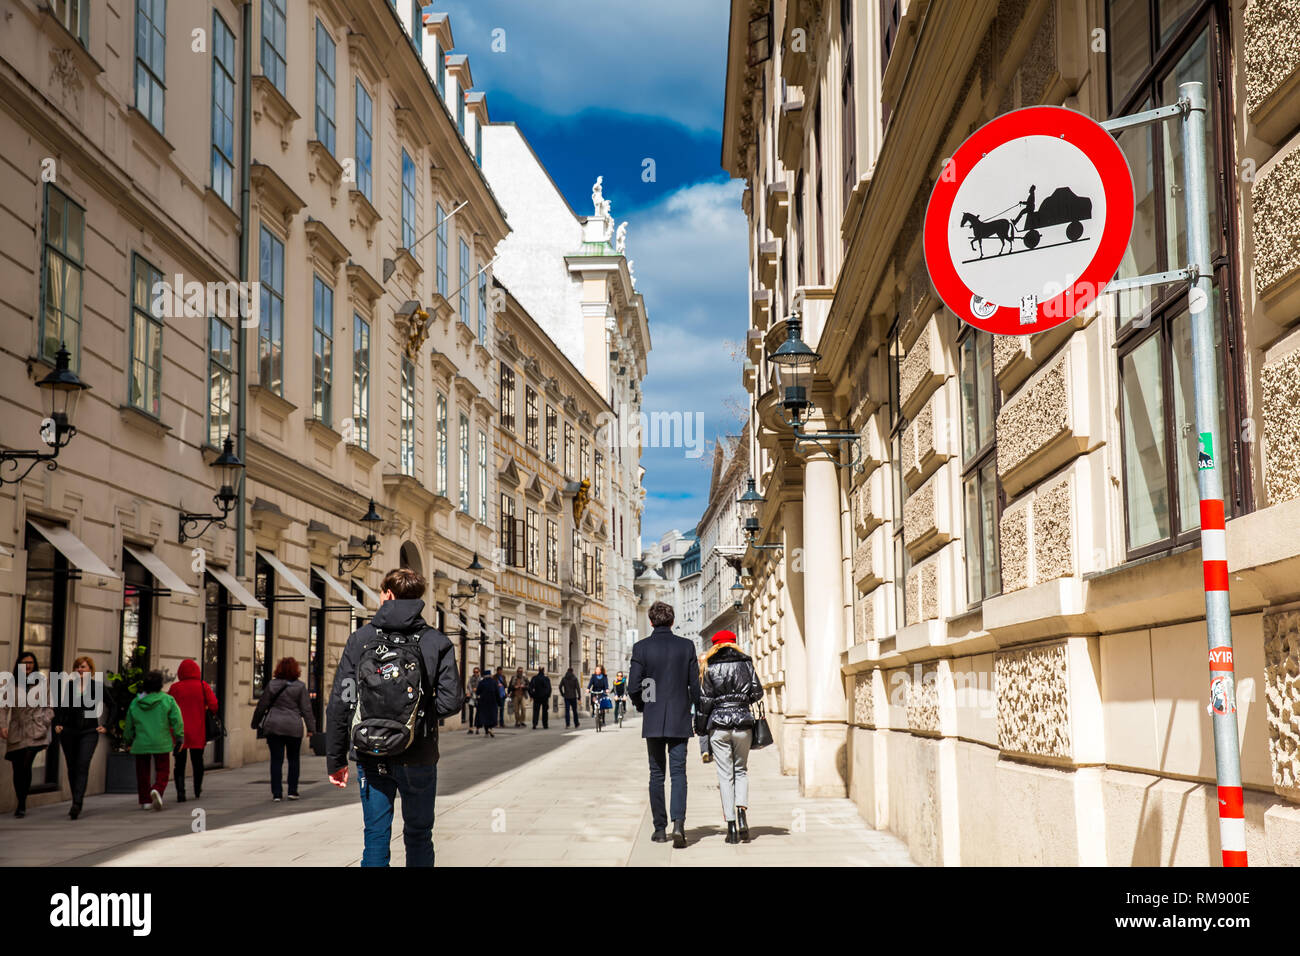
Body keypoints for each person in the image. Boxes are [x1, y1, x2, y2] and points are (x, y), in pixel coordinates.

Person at [326, 568, 462, 867]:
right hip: (418, 752)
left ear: (387, 594)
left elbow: (341, 701)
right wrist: (418, 717)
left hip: (370, 750)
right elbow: (452, 702)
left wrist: (335, 760)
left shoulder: (360, 639)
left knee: (375, 835)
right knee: (419, 834)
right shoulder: (436, 642)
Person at [628, 602, 700, 848]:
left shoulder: (641, 648)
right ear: (672, 621)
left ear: (650, 622)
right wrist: (696, 710)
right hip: (680, 718)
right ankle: (679, 824)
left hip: (654, 718)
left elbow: (633, 687)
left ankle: (660, 829)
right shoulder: (686, 646)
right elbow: (695, 687)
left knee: (656, 774)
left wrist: (643, 705)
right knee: (679, 773)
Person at [696, 630, 765, 844]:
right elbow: (757, 692)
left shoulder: (710, 665)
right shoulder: (746, 662)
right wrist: (741, 698)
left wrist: (700, 729)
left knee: (725, 776)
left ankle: (731, 827)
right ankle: (742, 812)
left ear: (715, 645)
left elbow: (705, 700)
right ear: (734, 643)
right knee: (741, 771)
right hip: (743, 723)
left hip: (718, 724)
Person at [253, 658, 314, 802]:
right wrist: (311, 728)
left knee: (276, 760)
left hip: (274, 726)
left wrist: (255, 723)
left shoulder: (272, 685)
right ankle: (292, 791)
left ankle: (277, 793)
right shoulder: (300, 686)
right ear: (296, 670)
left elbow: (262, 705)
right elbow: (306, 709)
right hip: (293, 725)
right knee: (294, 759)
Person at [54, 656, 107, 819]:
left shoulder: (97, 686)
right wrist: (58, 723)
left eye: (83, 667)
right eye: (77, 667)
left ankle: (77, 803)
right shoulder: (70, 686)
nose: (79, 670)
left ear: (90, 670)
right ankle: (76, 798)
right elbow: (62, 706)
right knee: (72, 767)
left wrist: (107, 726)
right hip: (69, 731)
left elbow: (112, 704)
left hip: (89, 732)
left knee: (82, 764)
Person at [1, 651, 54, 818]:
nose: (28, 665)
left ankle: (22, 805)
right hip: (17, 730)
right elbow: (3, 708)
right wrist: (2, 726)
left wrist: (45, 721)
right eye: (25, 663)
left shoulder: (42, 683)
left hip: (35, 730)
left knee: (26, 763)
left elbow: (49, 707)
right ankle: (21, 800)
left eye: (31, 662)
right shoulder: (10, 684)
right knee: (17, 768)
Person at [123, 670, 184, 811]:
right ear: (160, 685)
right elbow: (177, 720)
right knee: (163, 770)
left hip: (141, 742)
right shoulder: (167, 700)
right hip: (161, 741)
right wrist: (179, 737)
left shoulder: (136, 702)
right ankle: (157, 789)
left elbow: (129, 724)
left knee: (142, 772)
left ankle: (145, 801)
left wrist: (128, 741)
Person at [167, 659, 218, 803]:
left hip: (179, 732)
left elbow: (168, 708)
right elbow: (214, 705)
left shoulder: (175, 688)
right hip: (198, 730)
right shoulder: (203, 686)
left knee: (179, 763)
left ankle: (181, 793)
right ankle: (197, 788)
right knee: (198, 761)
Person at [475, 669, 500, 738]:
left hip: (484, 702)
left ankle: (486, 731)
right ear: (490, 675)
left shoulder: (481, 682)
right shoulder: (494, 682)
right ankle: (491, 729)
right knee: (492, 716)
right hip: (493, 701)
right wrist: (499, 702)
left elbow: (477, 692)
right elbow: (497, 693)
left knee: (485, 716)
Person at [466, 667, 480, 734]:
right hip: (472, 697)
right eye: (474, 672)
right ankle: (471, 728)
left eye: (477, 672)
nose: (475, 673)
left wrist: (477, 689)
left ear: (479, 672)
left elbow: (481, 687)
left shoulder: (480, 679)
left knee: (478, 713)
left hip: (478, 697)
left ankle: (477, 728)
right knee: (471, 713)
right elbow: (468, 685)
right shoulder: (471, 678)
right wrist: (471, 691)